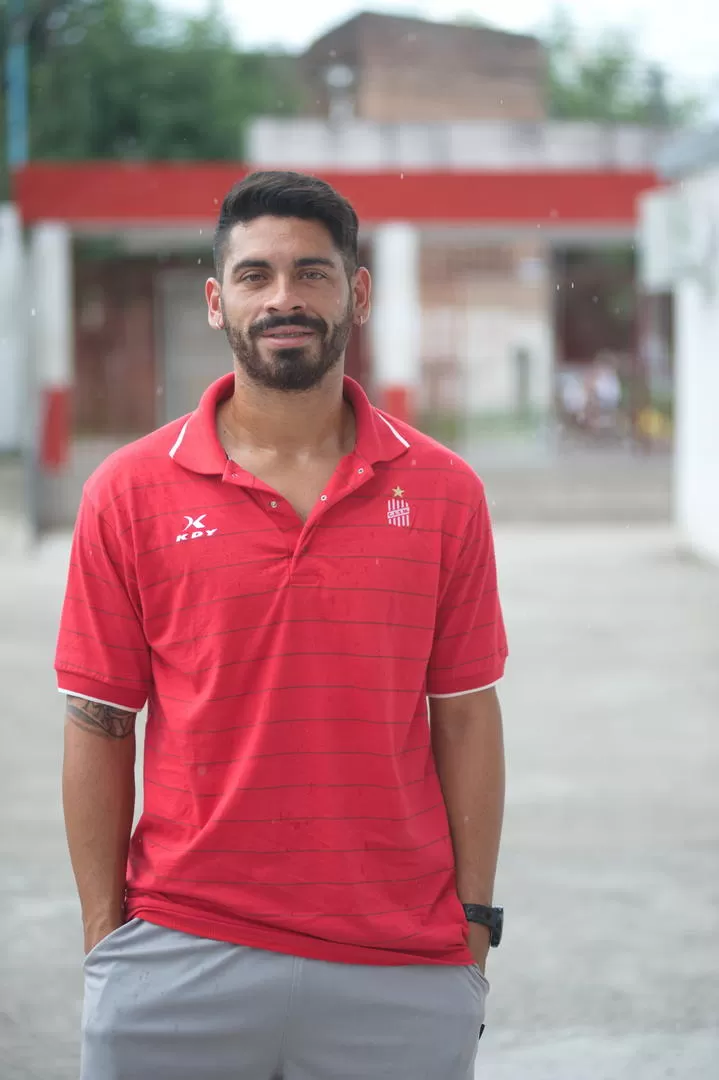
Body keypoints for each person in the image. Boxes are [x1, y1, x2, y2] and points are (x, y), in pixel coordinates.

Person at [57, 170, 508, 1080]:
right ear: (219, 303)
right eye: (257, 276)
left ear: (359, 292)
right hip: (177, 952)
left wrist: (471, 929)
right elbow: (99, 722)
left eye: (312, 272)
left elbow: (465, 713)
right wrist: (109, 944)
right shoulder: (128, 492)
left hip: (399, 966)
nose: (285, 299)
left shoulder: (446, 490)